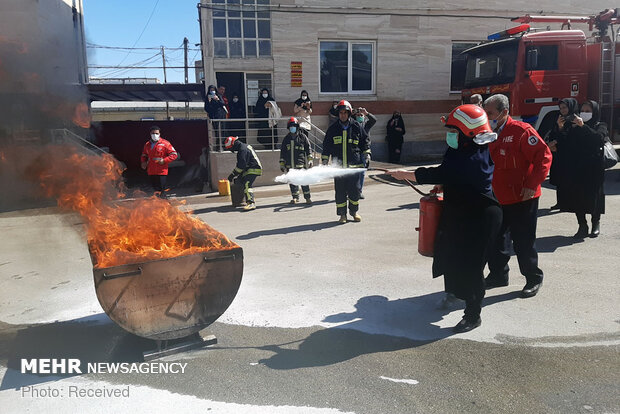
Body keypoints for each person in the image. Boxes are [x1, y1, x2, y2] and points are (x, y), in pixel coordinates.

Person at [387, 104, 502, 333]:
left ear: (469, 133)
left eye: (453, 131)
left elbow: (440, 172)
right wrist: (445, 183)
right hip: (461, 214)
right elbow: (448, 172)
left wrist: (405, 174)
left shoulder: (472, 158)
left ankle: (473, 314)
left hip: (479, 218)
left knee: (471, 267)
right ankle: (457, 294)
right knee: (450, 257)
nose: (449, 135)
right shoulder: (462, 149)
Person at [483, 94, 552, 298]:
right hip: (497, 195)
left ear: (504, 112)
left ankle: (533, 278)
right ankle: (498, 275)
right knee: (495, 238)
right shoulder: (489, 133)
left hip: (522, 196)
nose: (487, 117)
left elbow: (544, 156)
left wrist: (532, 184)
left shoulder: (522, 131)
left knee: (523, 241)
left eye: (490, 113)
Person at [549, 99, 606, 238]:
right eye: (583, 111)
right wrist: (560, 128)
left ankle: (595, 223)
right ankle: (582, 225)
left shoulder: (600, 125)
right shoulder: (572, 125)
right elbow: (565, 142)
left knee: (594, 196)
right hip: (577, 167)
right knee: (577, 196)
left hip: (593, 168)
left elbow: (598, 139)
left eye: (588, 111)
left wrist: (583, 126)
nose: (584, 114)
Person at [321, 100, 370, 224]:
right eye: (341, 113)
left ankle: (354, 212)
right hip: (339, 168)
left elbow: (365, 141)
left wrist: (367, 154)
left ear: (349, 113)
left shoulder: (356, 126)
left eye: (345, 113)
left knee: (355, 190)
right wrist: (325, 159)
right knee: (340, 192)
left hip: (354, 166)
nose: (343, 115)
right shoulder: (333, 128)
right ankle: (342, 215)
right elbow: (326, 145)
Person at [545, 98, 580, 211]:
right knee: (559, 180)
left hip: (571, 156)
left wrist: (560, 130)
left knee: (569, 180)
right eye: (561, 108)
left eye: (565, 107)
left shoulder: (576, 120)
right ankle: (560, 202)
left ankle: (570, 203)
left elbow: (570, 137)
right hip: (559, 155)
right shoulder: (560, 119)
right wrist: (552, 143)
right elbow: (553, 134)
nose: (563, 110)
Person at [280, 117, 313, 204]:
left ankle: (307, 198)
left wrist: (310, 160)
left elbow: (308, 149)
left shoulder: (303, 137)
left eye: (294, 126)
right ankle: (295, 197)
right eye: (290, 126)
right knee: (292, 182)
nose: (292, 128)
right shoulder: (286, 139)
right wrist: (282, 164)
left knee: (304, 182)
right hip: (290, 165)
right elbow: (283, 152)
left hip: (300, 164)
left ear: (297, 127)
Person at [225, 135, 262, 211]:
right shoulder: (243, 147)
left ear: (233, 145)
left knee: (247, 184)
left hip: (253, 169)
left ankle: (251, 203)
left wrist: (232, 175)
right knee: (238, 181)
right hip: (249, 168)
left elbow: (241, 166)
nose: (232, 151)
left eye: (231, 149)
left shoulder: (242, 150)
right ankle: (240, 200)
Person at [140, 125, 178, 198]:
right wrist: (143, 162)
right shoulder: (147, 144)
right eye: (153, 133)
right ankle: (158, 205)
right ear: (150, 134)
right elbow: (144, 154)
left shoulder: (165, 143)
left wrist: (164, 160)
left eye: (157, 133)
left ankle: (165, 205)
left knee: (162, 191)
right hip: (151, 170)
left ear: (159, 134)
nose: (155, 135)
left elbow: (174, 154)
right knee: (155, 191)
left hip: (161, 170)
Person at [352, 107, 376, 199]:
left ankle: (359, 191)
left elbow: (374, 120)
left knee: (362, 172)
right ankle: (352, 190)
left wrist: (366, 113)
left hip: (364, 151)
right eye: (358, 115)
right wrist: (352, 113)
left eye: (361, 115)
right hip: (355, 150)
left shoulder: (366, 125)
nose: (359, 116)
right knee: (353, 172)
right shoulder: (353, 124)